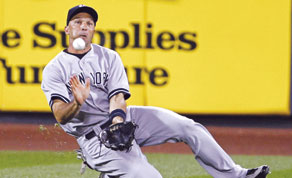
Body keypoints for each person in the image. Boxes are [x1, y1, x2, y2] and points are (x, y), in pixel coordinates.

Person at [41, 4, 270, 178]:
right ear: (67, 29)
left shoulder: (108, 56)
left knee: (188, 127)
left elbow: (117, 97)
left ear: (93, 29)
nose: (84, 26)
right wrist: (77, 103)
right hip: (93, 137)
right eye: (78, 22)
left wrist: (118, 121)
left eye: (89, 23)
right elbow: (60, 114)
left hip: (120, 119)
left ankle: (236, 175)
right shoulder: (55, 68)